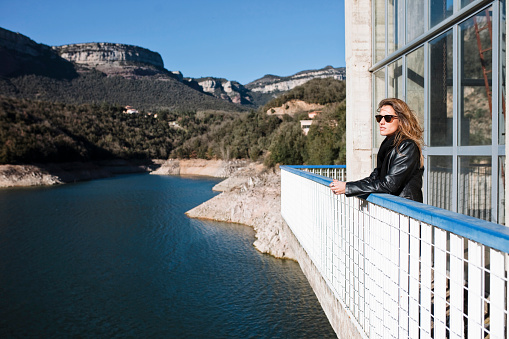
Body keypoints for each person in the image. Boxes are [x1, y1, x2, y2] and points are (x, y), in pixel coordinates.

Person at [329, 98, 424, 202]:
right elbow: (374, 178)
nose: (382, 122)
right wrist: (346, 186)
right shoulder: (388, 145)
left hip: (406, 211)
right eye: (379, 118)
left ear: (401, 121)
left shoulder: (407, 146)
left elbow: (389, 184)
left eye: (388, 118)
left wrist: (348, 188)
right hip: (394, 208)